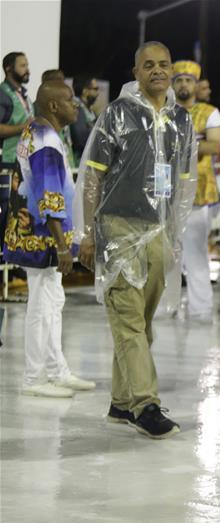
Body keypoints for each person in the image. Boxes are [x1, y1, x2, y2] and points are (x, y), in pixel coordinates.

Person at [76, 41, 196, 439]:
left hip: (159, 231)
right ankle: (145, 404)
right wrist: (88, 232)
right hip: (119, 228)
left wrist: (175, 231)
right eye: (149, 65)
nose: (158, 71)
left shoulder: (182, 120)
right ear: (136, 72)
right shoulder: (118, 114)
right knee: (127, 317)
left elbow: (181, 182)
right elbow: (93, 175)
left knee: (141, 324)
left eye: (164, 64)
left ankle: (121, 402)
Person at [2, 80, 95, 397]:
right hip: (41, 236)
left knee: (53, 301)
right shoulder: (45, 140)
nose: (76, 106)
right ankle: (34, 377)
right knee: (41, 306)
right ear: (54, 106)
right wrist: (61, 245)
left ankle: (57, 370)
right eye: (70, 100)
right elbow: (49, 196)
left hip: (39, 233)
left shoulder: (39, 131)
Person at [173, 60, 220, 321]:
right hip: (167, 194)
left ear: (195, 84)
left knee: (195, 254)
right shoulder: (164, 111)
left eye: (188, 80)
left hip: (198, 193)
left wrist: (178, 144)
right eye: (179, 80)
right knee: (167, 255)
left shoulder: (209, 112)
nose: (183, 84)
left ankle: (200, 309)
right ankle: (164, 307)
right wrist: (196, 141)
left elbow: (214, 147)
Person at [1, 52, 34, 255]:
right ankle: (5, 266)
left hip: (22, 163)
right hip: (6, 163)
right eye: (22, 65)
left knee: (18, 215)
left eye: (27, 65)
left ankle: (14, 264)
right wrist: (23, 126)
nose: (27, 69)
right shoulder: (3, 94)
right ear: (9, 69)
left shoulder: (24, 94)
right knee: (6, 213)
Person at [70, 74, 100, 164]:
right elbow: (81, 139)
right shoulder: (77, 110)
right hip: (79, 163)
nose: (98, 93)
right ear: (85, 91)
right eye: (95, 89)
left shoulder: (89, 111)